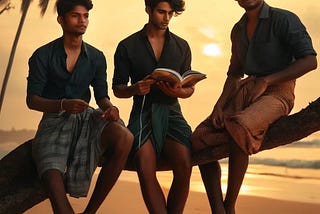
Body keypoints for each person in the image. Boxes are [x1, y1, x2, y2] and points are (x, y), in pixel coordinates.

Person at [191, 0, 317, 213]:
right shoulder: (238, 29)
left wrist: (267, 81)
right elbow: (234, 74)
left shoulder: (284, 19)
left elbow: (310, 61)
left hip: (278, 92)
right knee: (198, 138)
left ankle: (230, 206)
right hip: (245, 89)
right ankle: (217, 209)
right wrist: (219, 106)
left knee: (239, 126)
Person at [26, 0, 133, 213]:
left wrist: (110, 108)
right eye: (76, 16)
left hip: (87, 119)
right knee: (52, 178)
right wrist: (63, 104)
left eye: (85, 16)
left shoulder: (96, 57)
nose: (82, 20)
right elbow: (32, 100)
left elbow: (102, 96)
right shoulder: (42, 55)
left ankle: (90, 211)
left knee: (125, 137)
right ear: (61, 19)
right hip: (54, 122)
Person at [112, 0, 194, 213]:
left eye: (170, 13)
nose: (166, 18)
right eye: (161, 12)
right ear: (148, 9)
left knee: (185, 164)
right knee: (144, 166)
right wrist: (134, 89)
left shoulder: (182, 46)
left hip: (172, 111)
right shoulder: (127, 46)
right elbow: (117, 89)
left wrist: (179, 92)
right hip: (142, 111)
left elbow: (189, 87)